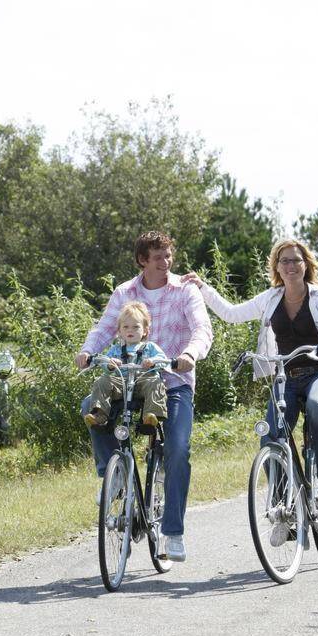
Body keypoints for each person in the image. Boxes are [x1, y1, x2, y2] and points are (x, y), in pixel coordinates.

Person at [76, 231, 213, 562]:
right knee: (90, 407)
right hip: (129, 380)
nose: (165, 263)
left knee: (177, 450)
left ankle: (173, 533)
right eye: (157, 258)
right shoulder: (125, 292)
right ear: (142, 260)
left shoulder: (185, 291)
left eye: (168, 256)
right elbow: (104, 329)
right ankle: (116, 478)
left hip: (173, 380)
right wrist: (87, 351)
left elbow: (201, 330)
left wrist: (190, 354)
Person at [183, 238, 318, 501]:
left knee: (317, 406)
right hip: (287, 378)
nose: (290, 265)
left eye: (296, 260)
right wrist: (203, 288)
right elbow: (231, 313)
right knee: (271, 437)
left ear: (305, 264)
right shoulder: (271, 298)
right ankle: (282, 506)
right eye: (284, 260)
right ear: (277, 266)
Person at [84, 301, 168, 429]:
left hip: (142, 382)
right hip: (121, 384)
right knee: (102, 381)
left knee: (155, 382)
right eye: (126, 327)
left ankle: (151, 416)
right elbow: (105, 362)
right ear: (119, 331)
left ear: (145, 331)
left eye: (136, 327)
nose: (130, 330)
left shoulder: (150, 347)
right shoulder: (116, 349)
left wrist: (153, 362)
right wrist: (110, 364)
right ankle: (99, 414)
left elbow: (163, 360)